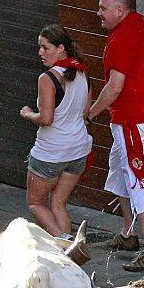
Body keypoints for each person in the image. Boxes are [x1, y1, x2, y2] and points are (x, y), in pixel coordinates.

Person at [87, 0, 144, 272]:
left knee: (136, 178)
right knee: (118, 165)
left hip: (132, 118)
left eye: (103, 8)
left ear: (120, 10)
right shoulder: (143, 25)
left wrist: (89, 114)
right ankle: (128, 232)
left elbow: (114, 87)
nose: (98, 13)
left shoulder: (121, 37)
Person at [19, 24, 92, 239]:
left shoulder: (48, 78)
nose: (40, 52)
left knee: (35, 203)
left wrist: (28, 114)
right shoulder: (83, 73)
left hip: (50, 152)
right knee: (58, 203)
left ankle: (64, 239)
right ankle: (69, 251)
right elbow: (85, 113)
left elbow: (46, 119)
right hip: (78, 150)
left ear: (61, 48)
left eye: (45, 47)